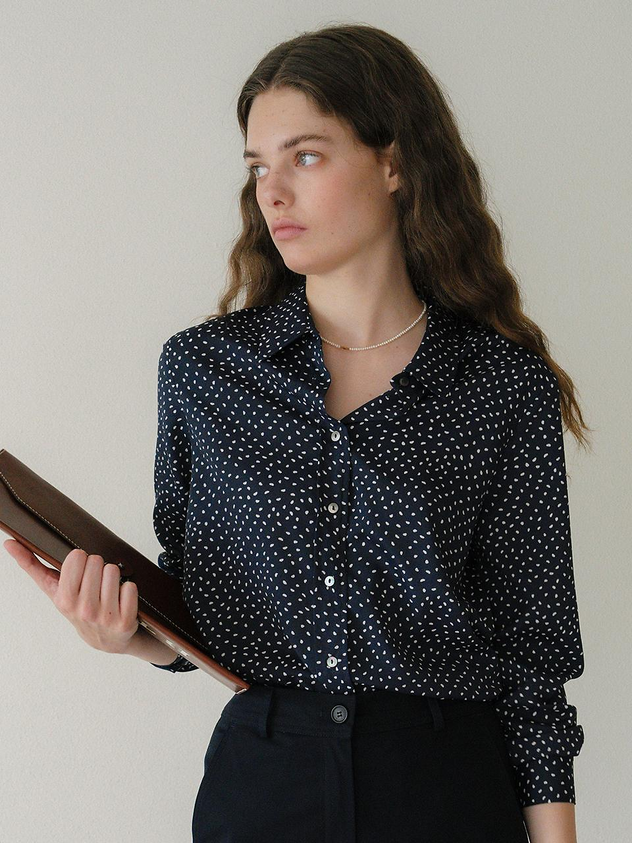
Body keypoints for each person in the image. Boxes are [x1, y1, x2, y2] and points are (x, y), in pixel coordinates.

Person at [4, 22, 591, 843]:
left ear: (394, 163)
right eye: (257, 167)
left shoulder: (499, 384)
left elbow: (534, 658)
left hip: (446, 788)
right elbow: (199, 607)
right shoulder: (206, 372)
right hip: (263, 785)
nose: (272, 192)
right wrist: (129, 636)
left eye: (305, 157)